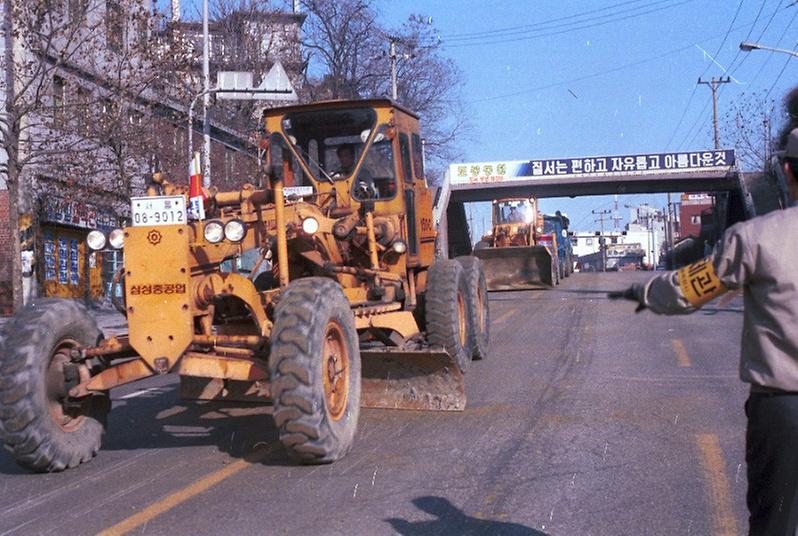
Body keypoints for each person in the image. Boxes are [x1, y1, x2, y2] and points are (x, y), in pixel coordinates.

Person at [611, 120, 798, 535]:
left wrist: (645, 294)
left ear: (787, 172)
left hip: (784, 413)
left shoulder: (758, 238)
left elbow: (690, 288)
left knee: (777, 526)